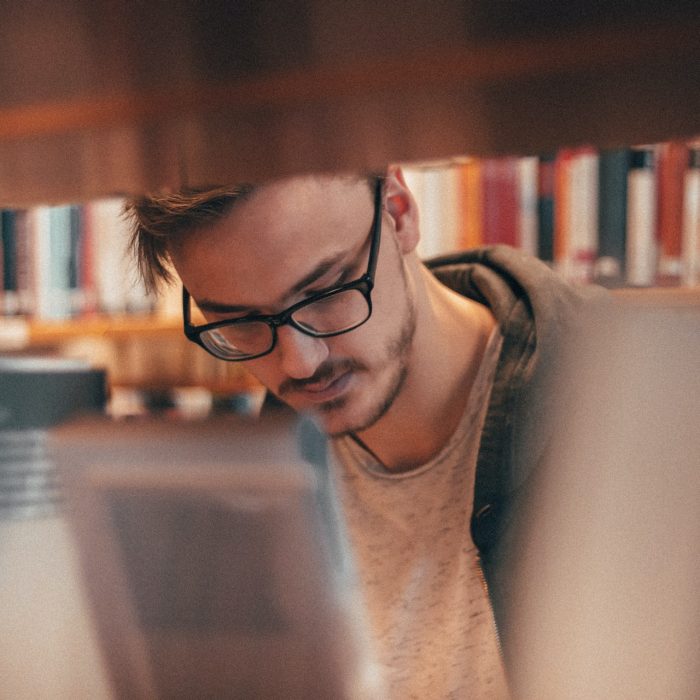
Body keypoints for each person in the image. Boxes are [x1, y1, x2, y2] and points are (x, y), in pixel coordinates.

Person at [126, 167, 604, 698]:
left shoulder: (620, 407)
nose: (300, 362)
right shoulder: (259, 488)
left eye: (326, 290)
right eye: (240, 322)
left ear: (399, 211)